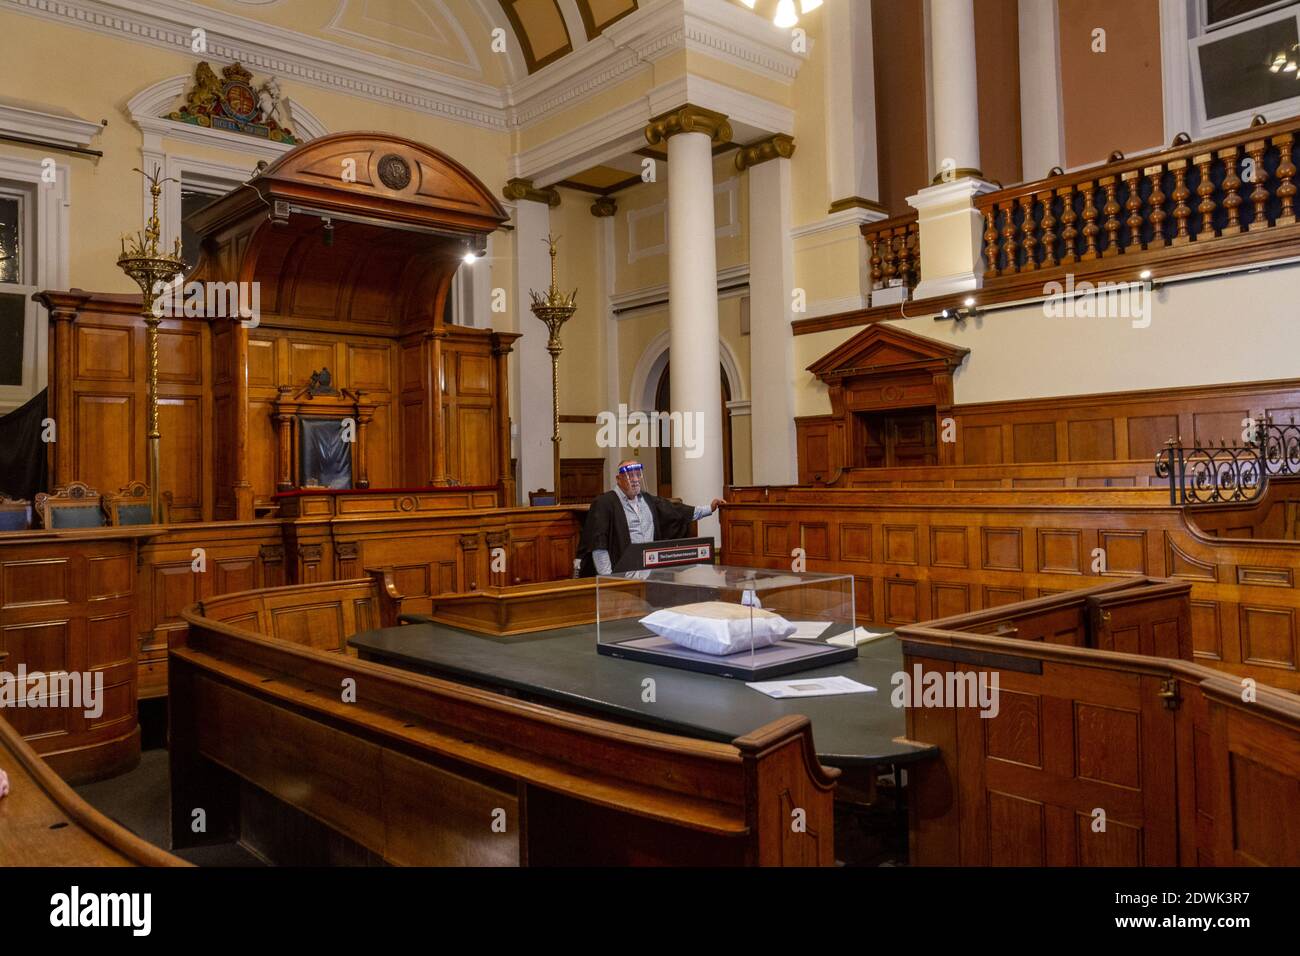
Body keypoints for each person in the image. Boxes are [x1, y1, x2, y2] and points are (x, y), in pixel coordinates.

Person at [577, 459, 725, 576]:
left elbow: (676, 512)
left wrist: (709, 508)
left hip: (649, 571)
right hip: (622, 573)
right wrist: (607, 579)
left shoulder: (647, 500)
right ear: (618, 479)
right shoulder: (605, 503)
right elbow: (599, 544)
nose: (635, 479)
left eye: (637, 474)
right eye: (630, 476)